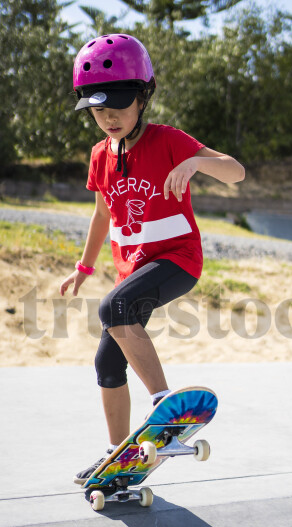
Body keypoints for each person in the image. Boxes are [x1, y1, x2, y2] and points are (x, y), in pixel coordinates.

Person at [59, 33, 245, 484]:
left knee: (114, 308)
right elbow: (102, 213)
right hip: (136, 270)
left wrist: (198, 163)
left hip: (178, 260)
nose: (108, 117)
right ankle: (117, 456)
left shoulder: (168, 141)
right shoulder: (100, 156)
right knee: (106, 361)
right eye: (98, 109)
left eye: (118, 106)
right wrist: (84, 267)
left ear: (144, 98)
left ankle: (166, 410)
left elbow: (236, 172)